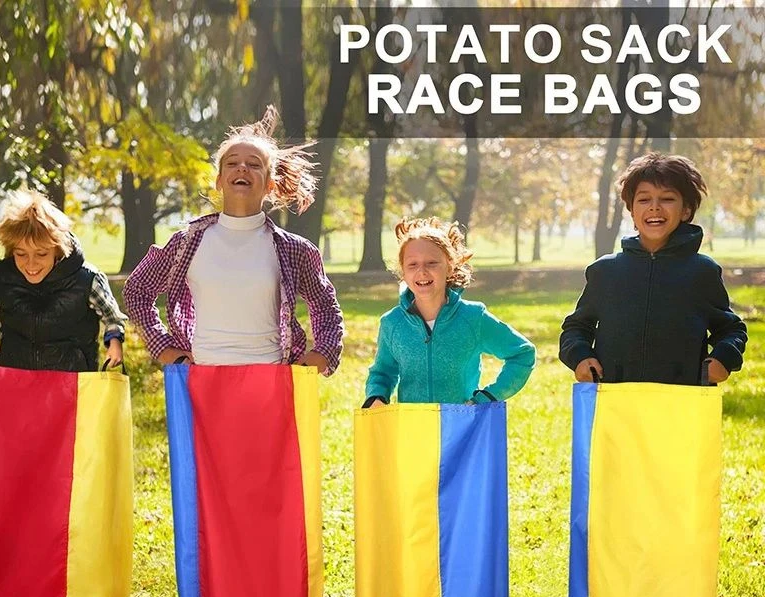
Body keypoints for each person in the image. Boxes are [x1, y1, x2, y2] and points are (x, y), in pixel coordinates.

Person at [122, 106, 343, 374]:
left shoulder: (294, 249)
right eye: (232, 163)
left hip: (270, 380)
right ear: (219, 181)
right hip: (202, 380)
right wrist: (163, 348)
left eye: (254, 165)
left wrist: (322, 354)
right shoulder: (185, 244)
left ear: (270, 184)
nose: (242, 168)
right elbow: (137, 290)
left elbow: (325, 305)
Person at [559, 152, 747, 385]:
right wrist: (580, 357)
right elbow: (576, 327)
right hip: (614, 403)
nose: (655, 208)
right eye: (644, 199)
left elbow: (731, 329)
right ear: (632, 210)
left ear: (686, 210)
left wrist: (722, 360)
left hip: (683, 403)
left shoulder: (702, 271)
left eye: (667, 199)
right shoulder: (605, 271)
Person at [364, 217, 535, 406]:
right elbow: (383, 372)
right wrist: (377, 396)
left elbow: (522, 354)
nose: (422, 271)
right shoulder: (391, 323)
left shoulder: (473, 318)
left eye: (432, 263)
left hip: (463, 428)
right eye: (412, 264)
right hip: (412, 431)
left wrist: (487, 398)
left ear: (449, 267)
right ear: (403, 272)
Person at [0, 190, 126, 371]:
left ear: (57, 250)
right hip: (17, 379)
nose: (31, 263)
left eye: (41, 254)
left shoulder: (88, 279)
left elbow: (112, 317)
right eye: (21, 254)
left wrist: (114, 342)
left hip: (72, 382)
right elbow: (1, 325)